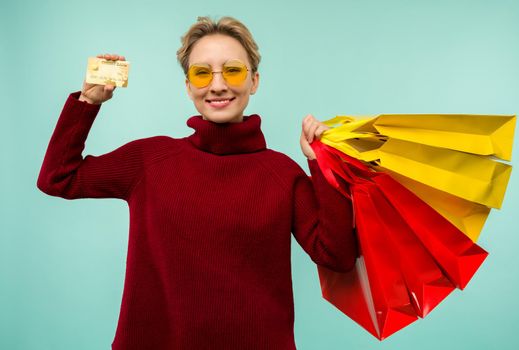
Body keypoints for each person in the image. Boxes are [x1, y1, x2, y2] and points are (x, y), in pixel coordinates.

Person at [37, 15, 357, 350]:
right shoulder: (151, 159)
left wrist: (322, 165)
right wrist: (88, 102)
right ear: (188, 86)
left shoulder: (282, 173)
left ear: (255, 81)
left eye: (232, 71)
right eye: (202, 73)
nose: (217, 85)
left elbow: (337, 256)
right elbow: (58, 179)